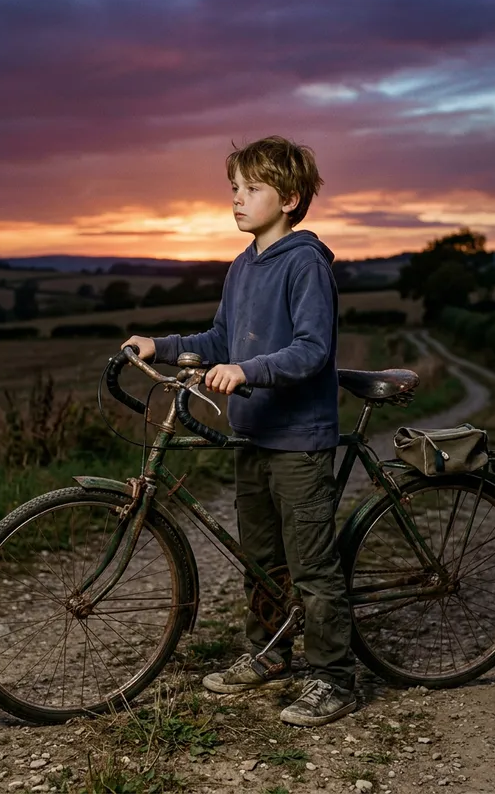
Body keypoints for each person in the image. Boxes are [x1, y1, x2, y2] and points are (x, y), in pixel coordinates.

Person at [121, 135, 356, 727]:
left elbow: (311, 350)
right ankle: (270, 653)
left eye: (253, 188)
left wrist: (248, 370)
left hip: (299, 438)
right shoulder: (242, 267)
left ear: (291, 197)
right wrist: (163, 345)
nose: (238, 199)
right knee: (261, 557)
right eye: (234, 188)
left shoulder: (305, 263)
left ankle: (334, 677)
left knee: (312, 565)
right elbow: (219, 342)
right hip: (253, 435)